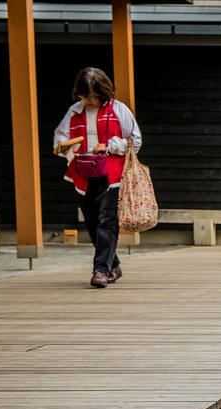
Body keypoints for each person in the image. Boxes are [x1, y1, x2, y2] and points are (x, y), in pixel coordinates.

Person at [53, 67, 142, 288]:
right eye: (86, 96)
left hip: (112, 174)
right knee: (92, 222)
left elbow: (135, 141)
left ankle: (100, 270)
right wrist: (65, 148)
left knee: (106, 221)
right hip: (83, 173)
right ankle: (114, 265)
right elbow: (60, 138)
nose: (91, 101)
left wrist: (110, 146)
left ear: (104, 92)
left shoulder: (119, 110)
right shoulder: (74, 112)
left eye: (95, 96)